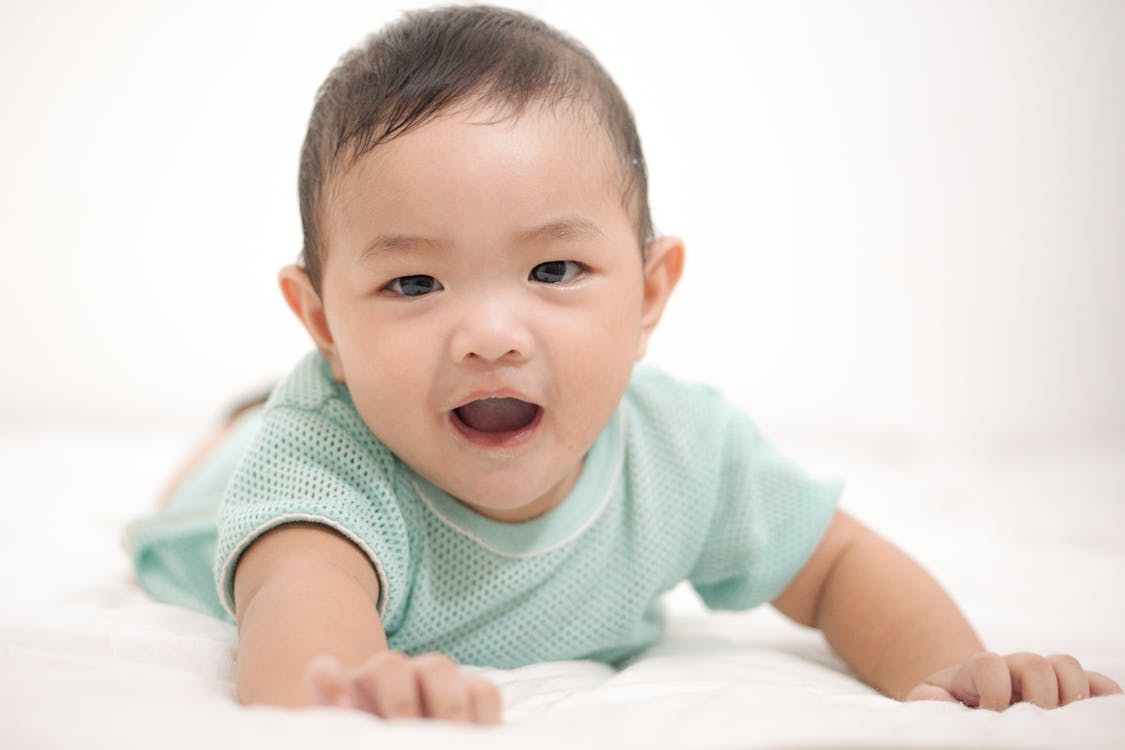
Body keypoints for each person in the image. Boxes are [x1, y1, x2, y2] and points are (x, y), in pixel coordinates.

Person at [126, 4, 1121, 725]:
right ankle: (237, 419)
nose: (491, 336)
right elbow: (301, 626)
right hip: (229, 487)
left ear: (648, 294)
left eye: (553, 268)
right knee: (225, 460)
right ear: (323, 323)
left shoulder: (682, 451)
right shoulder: (320, 470)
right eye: (415, 285)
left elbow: (838, 563)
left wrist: (956, 670)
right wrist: (351, 690)